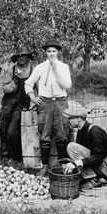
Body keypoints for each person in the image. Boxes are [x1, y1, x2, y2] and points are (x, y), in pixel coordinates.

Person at [24, 39, 72, 177]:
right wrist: (33, 97)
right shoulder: (40, 67)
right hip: (44, 103)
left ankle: (63, 165)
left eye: (54, 51)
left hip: (60, 102)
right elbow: (28, 83)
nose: (51, 53)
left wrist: (55, 68)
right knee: (45, 135)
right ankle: (44, 166)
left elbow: (67, 85)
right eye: (49, 51)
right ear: (45, 52)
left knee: (62, 134)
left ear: (58, 52)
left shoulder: (63, 67)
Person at [62, 101, 107, 189]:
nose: (68, 121)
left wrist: (76, 163)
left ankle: (93, 179)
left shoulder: (94, 131)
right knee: (73, 148)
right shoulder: (81, 131)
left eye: (70, 118)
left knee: (71, 147)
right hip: (101, 163)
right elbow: (84, 155)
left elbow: (99, 156)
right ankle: (102, 176)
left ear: (78, 118)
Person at [0, 46, 35, 165]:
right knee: (3, 128)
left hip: (22, 105)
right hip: (8, 103)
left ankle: (17, 155)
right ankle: (6, 153)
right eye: (19, 56)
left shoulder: (32, 71)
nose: (21, 58)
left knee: (12, 130)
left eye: (24, 55)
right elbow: (5, 89)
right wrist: (15, 81)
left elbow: (37, 89)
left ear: (27, 57)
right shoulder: (11, 70)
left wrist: (34, 101)